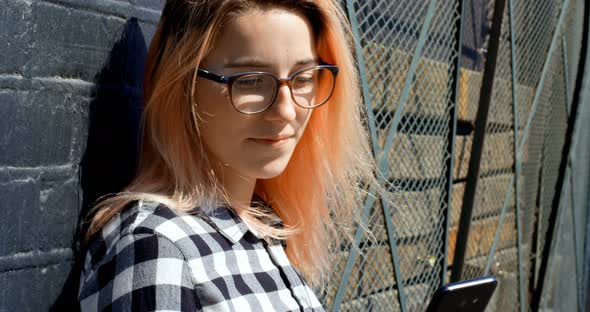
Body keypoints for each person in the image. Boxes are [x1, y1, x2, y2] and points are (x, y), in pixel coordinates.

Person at [77, 0, 385, 310]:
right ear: (184, 84)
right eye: (250, 80)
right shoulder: (158, 250)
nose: (286, 111)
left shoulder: (264, 227)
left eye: (303, 78)